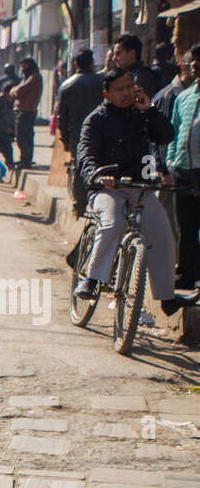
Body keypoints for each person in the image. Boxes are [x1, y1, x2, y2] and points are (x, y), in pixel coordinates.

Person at [74, 67, 195, 318]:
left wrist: (149, 108)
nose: (127, 93)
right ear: (107, 93)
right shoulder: (95, 120)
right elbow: (86, 153)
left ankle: (167, 298)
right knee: (112, 222)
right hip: (108, 188)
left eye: (131, 87)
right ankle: (92, 280)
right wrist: (97, 174)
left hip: (141, 189)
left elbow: (166, 135)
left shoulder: (142, 115)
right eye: (120, 89)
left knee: (162, 233)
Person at [165, 48, 200, 288]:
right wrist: (169, 162)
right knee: (185, 226)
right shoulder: (184, 97)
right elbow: (173, 133)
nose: (195, 64)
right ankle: (185, 274)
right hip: (182, 170)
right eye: (194, 60)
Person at [57, 48, 104, 217]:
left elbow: (62, 116)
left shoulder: (67, 85)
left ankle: (79, 204)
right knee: (100, 164)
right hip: (101, 130)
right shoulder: (102, 81)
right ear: (92, 62)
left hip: (77, 132)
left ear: (76, 64)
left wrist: (64, 137)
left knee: (79, 165)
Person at [13, 57, 43, 170]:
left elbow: (18, 91)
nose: (22, 69)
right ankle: (24, 159)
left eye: (24, 66)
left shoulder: (34, 77)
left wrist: (14, 91)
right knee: (22, 137)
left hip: (27, 111)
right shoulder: (28, 77)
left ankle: (26, 160)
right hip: (24, 110)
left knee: (24, 136)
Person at [110, 32, 159, 99]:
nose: (114, 58)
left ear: (131, 54)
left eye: (118, 54)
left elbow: (144, 104)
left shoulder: (142, 77)